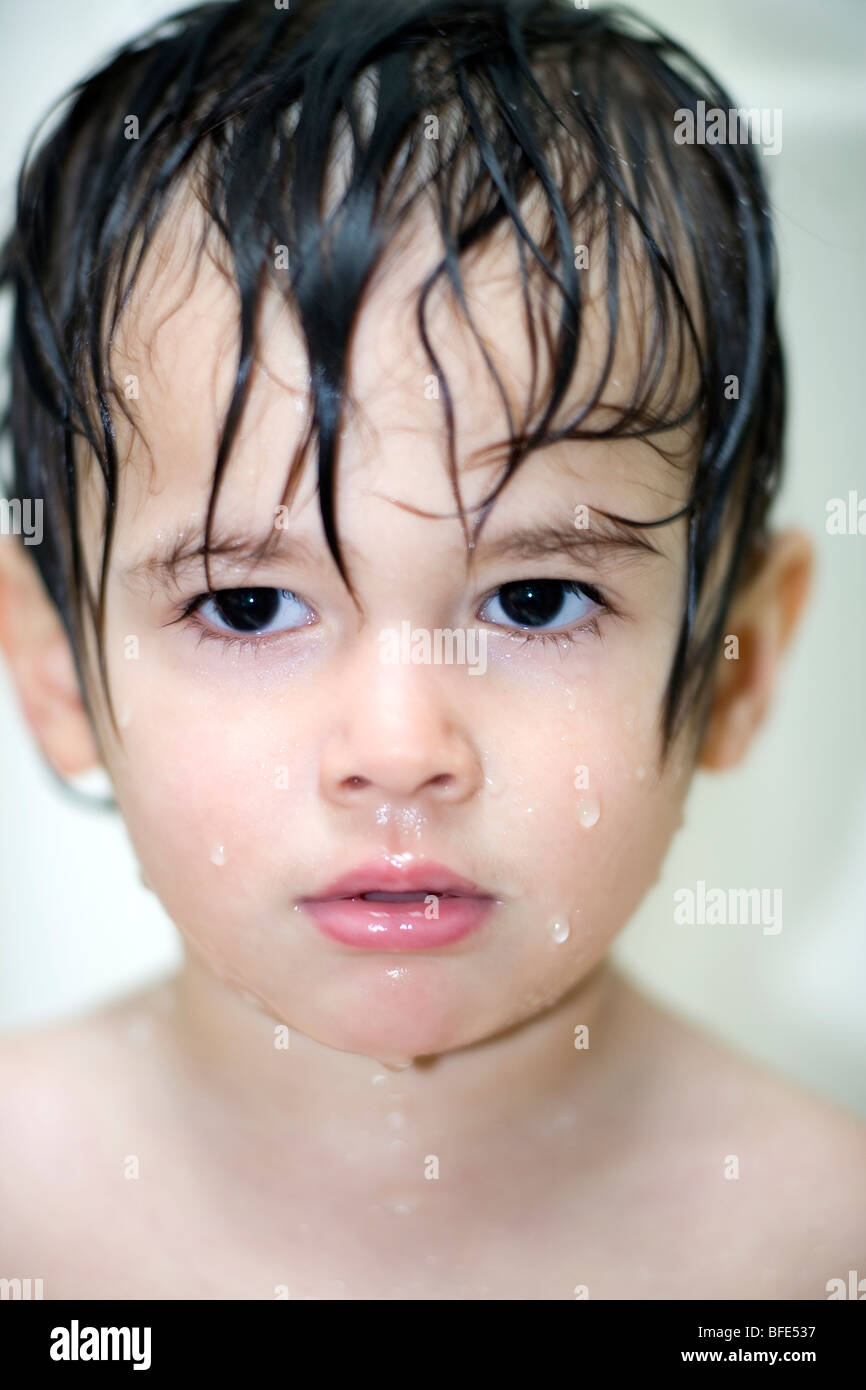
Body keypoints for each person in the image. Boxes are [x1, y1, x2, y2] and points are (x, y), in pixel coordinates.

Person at [0, 0, 861, 1299]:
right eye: (246, 606)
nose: (399, 751)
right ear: (57, 667)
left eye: (533, 600)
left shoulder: (816, 1249)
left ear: (732, 658)